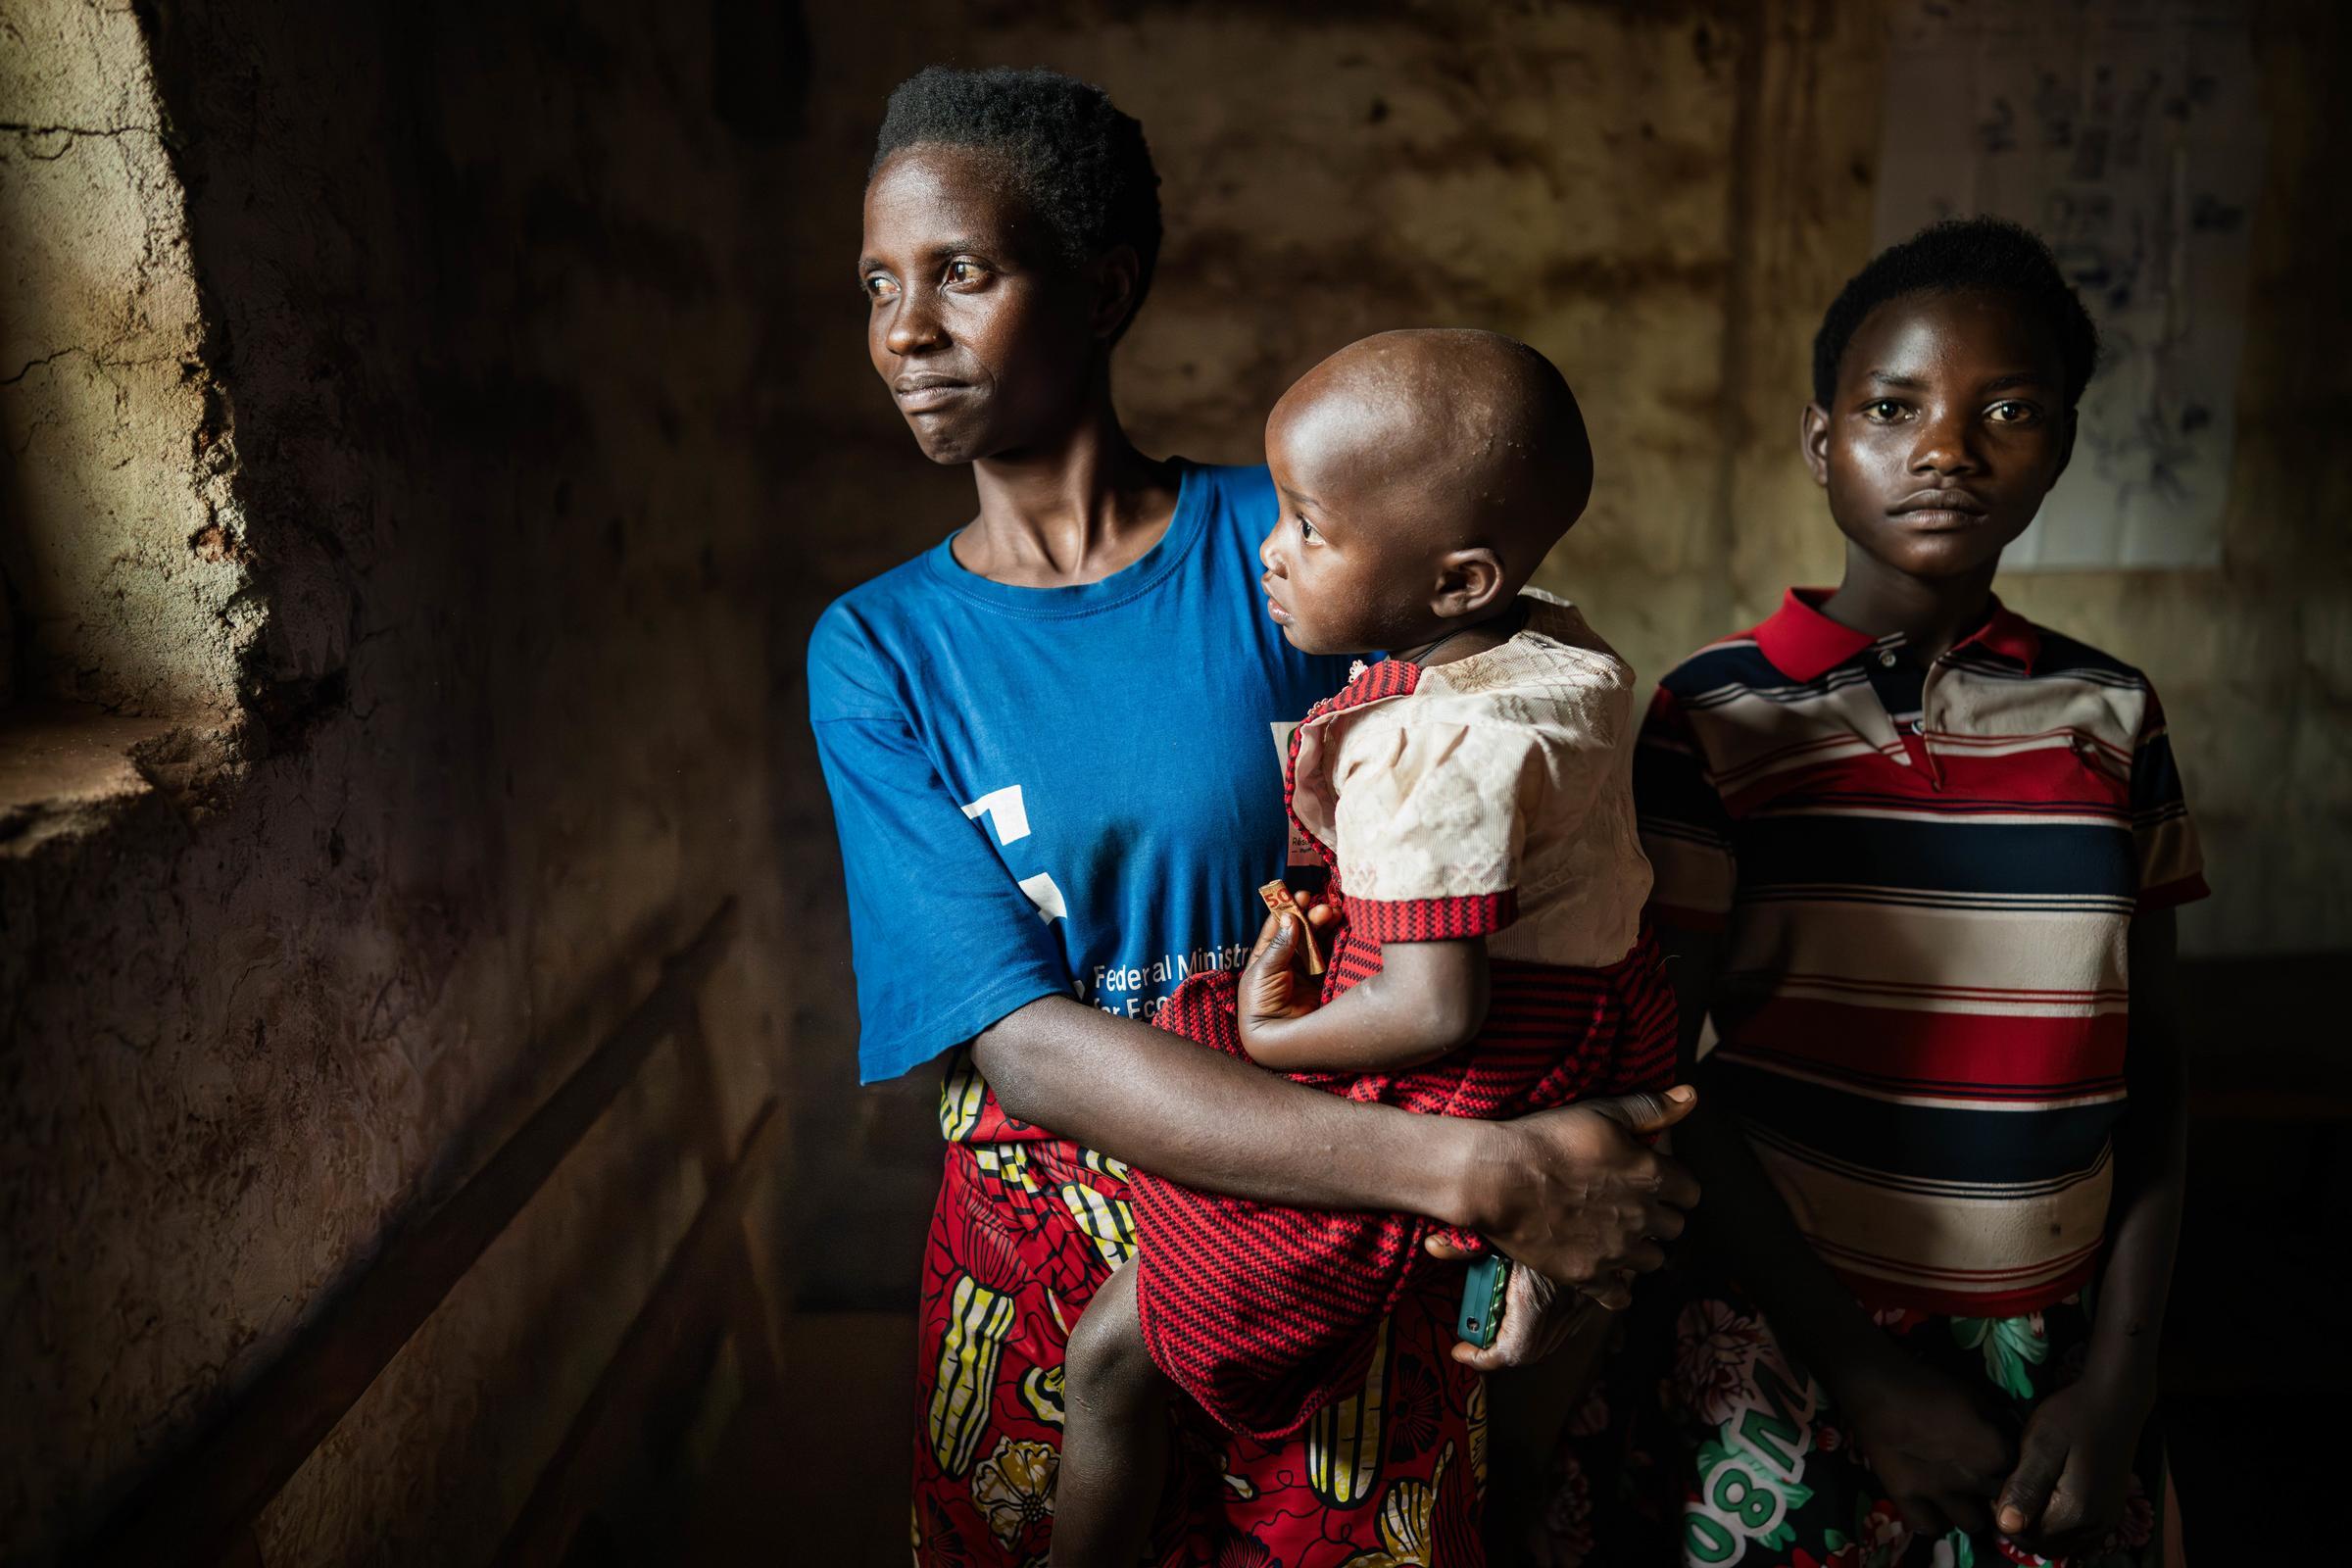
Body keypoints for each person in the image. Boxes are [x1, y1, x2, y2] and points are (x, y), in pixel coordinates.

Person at [810, 67, 1700, 1565]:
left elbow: (1529, 798)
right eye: (878, 285)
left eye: (962, 273)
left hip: (1346, 1228)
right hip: (1063, 1251)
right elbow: (1020, 1042)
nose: (905, 331)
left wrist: (1534, 1140)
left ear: (1103, 290)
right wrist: (1472, 1175)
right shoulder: (882, 649)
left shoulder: (1305, 545)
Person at [1564, 218, 2200, 1566]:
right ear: (1821, 442)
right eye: (1893, 408)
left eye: (2007, 411)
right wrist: (1860, 1371)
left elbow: (2155, 1067)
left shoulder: (2112, 713)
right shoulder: (1717, 714)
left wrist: (2123, 1376)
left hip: (2059, 1350)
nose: (1946, 449)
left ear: (2063, 445)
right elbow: (1662, 1070)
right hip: (1787, 1336)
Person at [1048, 329, 1679, 1568]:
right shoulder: (1560, 654)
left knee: (1113, 1350)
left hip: (1469, 1064)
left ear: (1457, 582)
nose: (1270, 550)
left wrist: (1272, 1035)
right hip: (1604, 1021)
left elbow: (1434, 1005)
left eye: (1308, 526)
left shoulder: (1420, 747)